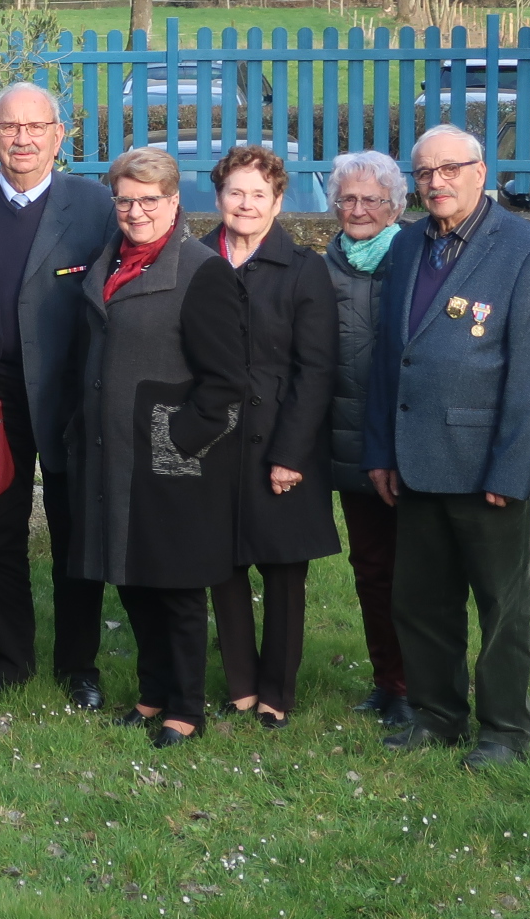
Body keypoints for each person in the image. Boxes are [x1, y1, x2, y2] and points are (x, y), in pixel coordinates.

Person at [366, 126, 530, 771]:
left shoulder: (523, 251)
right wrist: (381, 451)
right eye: (424, 173)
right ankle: (437, 716)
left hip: (486, 466)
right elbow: (386, 359)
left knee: (502, 609)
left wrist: (513, 468)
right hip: (415, 459)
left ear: (483, 171)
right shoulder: (405, 246)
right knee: (421, 603)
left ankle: (505, 731)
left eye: (450, 169)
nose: (436, 182)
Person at [0, 81, 118, 707]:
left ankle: (78, 666)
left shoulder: (94, 205)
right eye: (10, 127)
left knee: (75, 534)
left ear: (58, 136)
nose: (22, 139)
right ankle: (10, 663)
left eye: (35, 128)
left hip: (70, 392)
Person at [62, 147, 247, 749]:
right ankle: (151, 693)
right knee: (132, 577)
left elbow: (226, 381)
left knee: (177, 586)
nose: (136, 211)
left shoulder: (201, 270)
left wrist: (180, 439)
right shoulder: (110, 261)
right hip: (111, 452)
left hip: (170, 459)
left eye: (149, 200)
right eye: (125, 200)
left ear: (174, 202)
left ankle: (186, 708)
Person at [203, 146, 339, 730]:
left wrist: (290, 454)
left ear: (279, 202)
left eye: (259, 194)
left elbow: (317, 370)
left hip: (280, 441)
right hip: (212, 441)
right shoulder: (196, 260)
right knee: (221, 564)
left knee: (284, 573)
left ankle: (276, 691)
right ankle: (239, 683)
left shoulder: (305, 270)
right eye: (236, 192)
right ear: (219, 197)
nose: (246, 203)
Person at [324, 148, 415, 728]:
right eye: (348, 198)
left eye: (371, 199)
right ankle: (388, 681)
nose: (358, 209)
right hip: (351, 444)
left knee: (417, 573)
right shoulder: (322, 265)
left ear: (395, 206)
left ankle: (421, 684)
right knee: (372, 568)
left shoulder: (415, 257)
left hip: (411, 442)